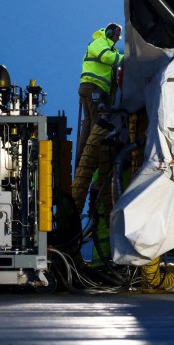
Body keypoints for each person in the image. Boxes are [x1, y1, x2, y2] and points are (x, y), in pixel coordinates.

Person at [72, 23, 124, 222]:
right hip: (92, 88)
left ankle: (84, 153)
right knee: (96, 123)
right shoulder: (99, 42)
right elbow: (108, 59)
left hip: (96, 90)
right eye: (117, 34)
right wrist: (128, 58)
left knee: (90, 122)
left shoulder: (107, 45)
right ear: (109, 32)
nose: (118, 38)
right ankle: (87, 153)